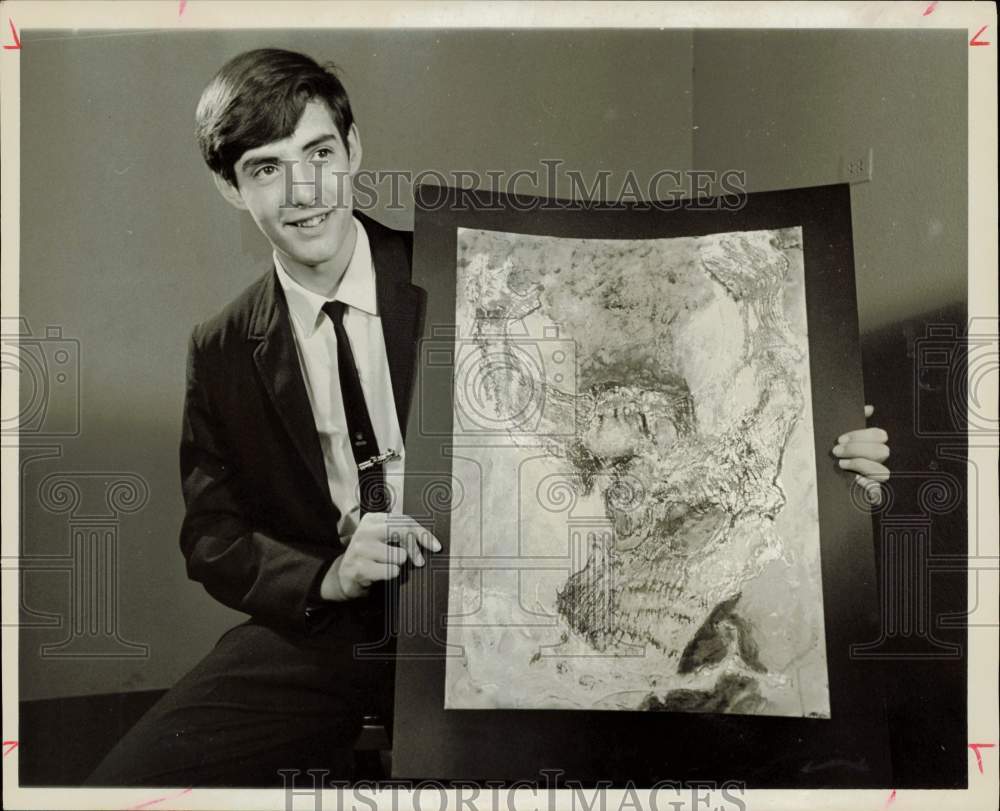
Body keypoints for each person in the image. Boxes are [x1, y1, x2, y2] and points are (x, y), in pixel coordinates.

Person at [86, 47, 891, 787]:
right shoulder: (223, 346)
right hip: (332, 629)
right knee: (127, 787)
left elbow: (654, 442)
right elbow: (212, 533)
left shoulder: (476, 272)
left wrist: (821, 458)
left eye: (319, 154)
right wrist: (326, 573)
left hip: (505, 610)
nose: (303, 193)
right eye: (266, 168)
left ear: (354, 151)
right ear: (231, 187)